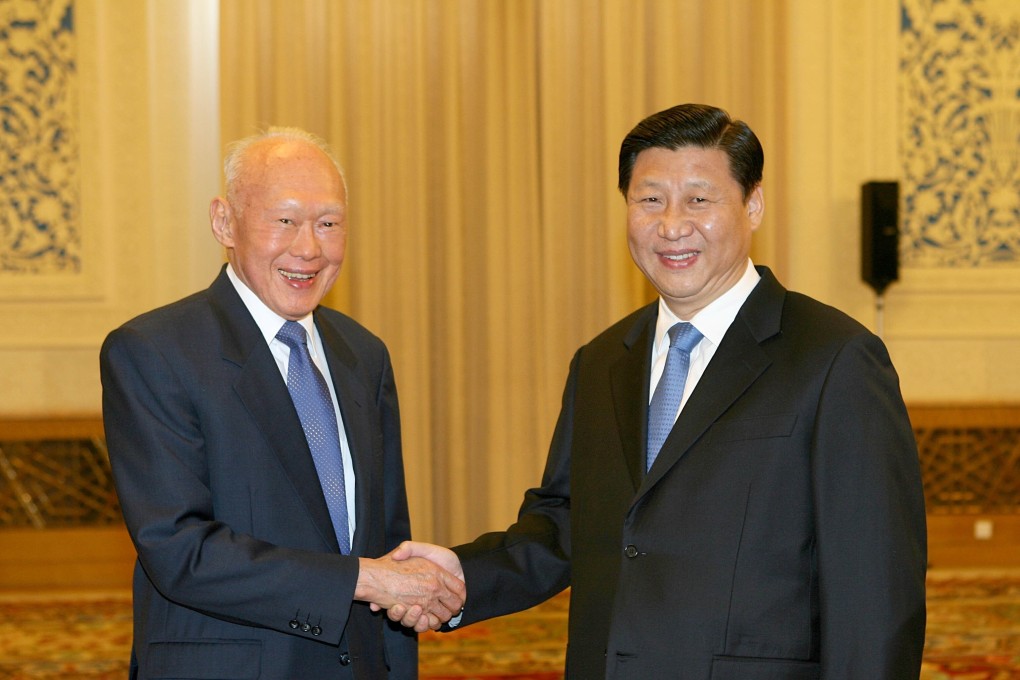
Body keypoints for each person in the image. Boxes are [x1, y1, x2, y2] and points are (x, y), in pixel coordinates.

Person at [392, 103, 928, 678]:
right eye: (650, 200)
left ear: (753, 204)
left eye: (699, 199)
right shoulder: (601, 362)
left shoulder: (834, 358)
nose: (672, 225)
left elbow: (875, 590)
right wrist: (460, 576)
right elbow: (571, 523)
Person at [100, 127, 465, 679]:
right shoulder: (156, 351)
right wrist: (364, 579)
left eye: (329, 223)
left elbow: (385, 540)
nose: (309, 248)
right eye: (285, 220)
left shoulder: (362, 355)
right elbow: (180, 550)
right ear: (224, 222)